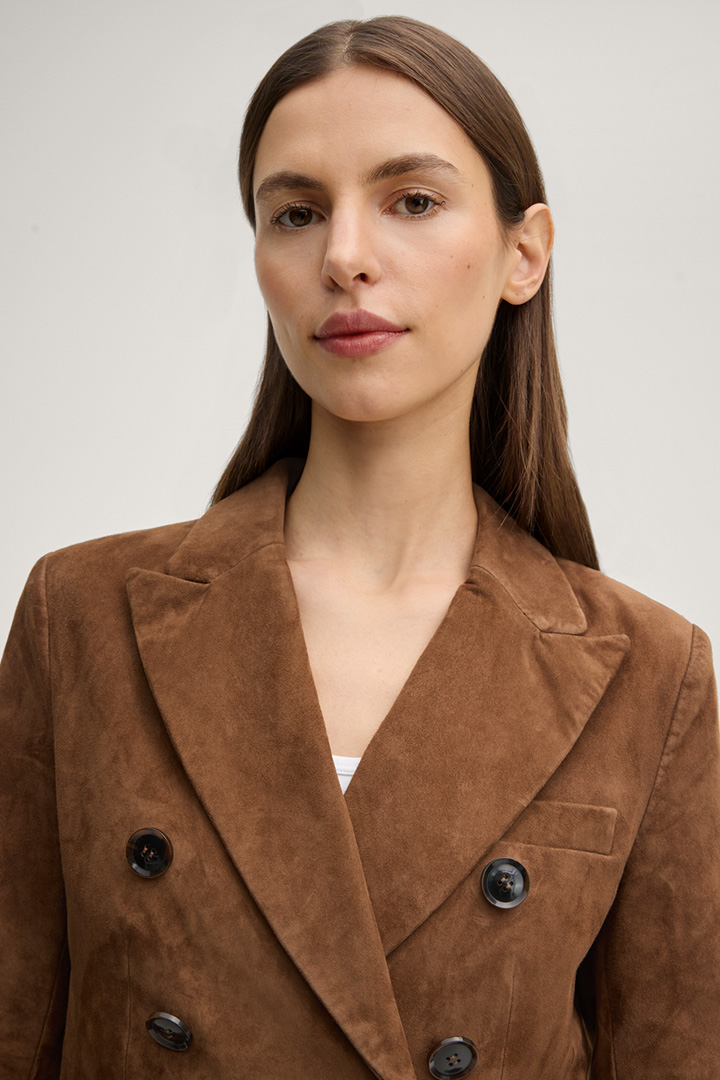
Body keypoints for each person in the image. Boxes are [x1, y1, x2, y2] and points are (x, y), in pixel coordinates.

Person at [1, 15, 718, 1079]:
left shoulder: (651, 676)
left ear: (524, 254)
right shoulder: (82, 616)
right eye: (295, 213)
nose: (343, 257)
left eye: (412, 201)